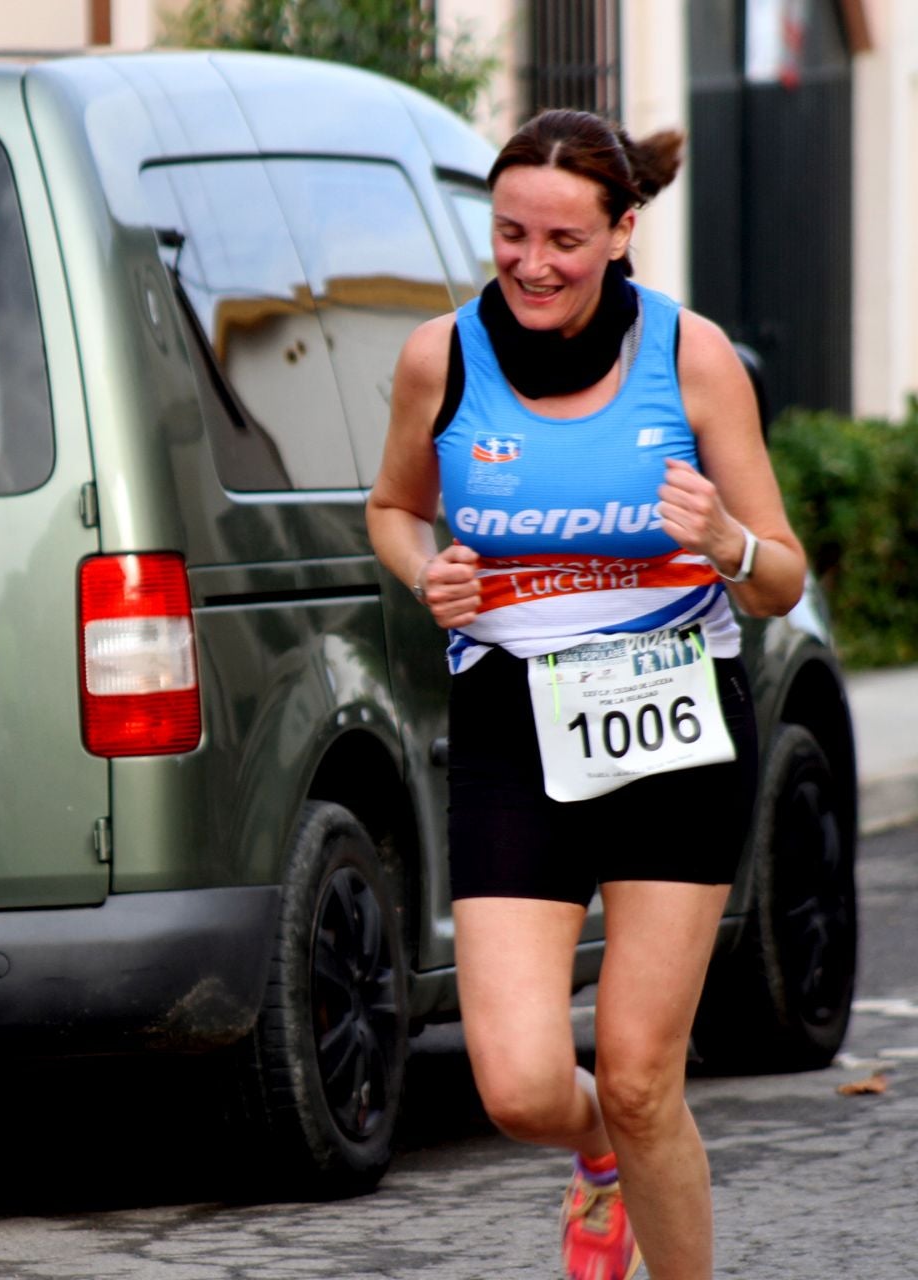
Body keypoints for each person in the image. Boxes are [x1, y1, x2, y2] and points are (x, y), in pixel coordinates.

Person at [366, 110, 805, 1280]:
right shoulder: (440, 357)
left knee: (640, 1071)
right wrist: (430, 573)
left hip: (676, 712)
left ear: (620, 233)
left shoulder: (691, 356)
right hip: (514, 722)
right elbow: (394, 508)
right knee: (515, 1084)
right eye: (510, 234)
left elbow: (784, 576)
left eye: (563, 237)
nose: (532, 263)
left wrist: (725, 540)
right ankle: (598, 1152)